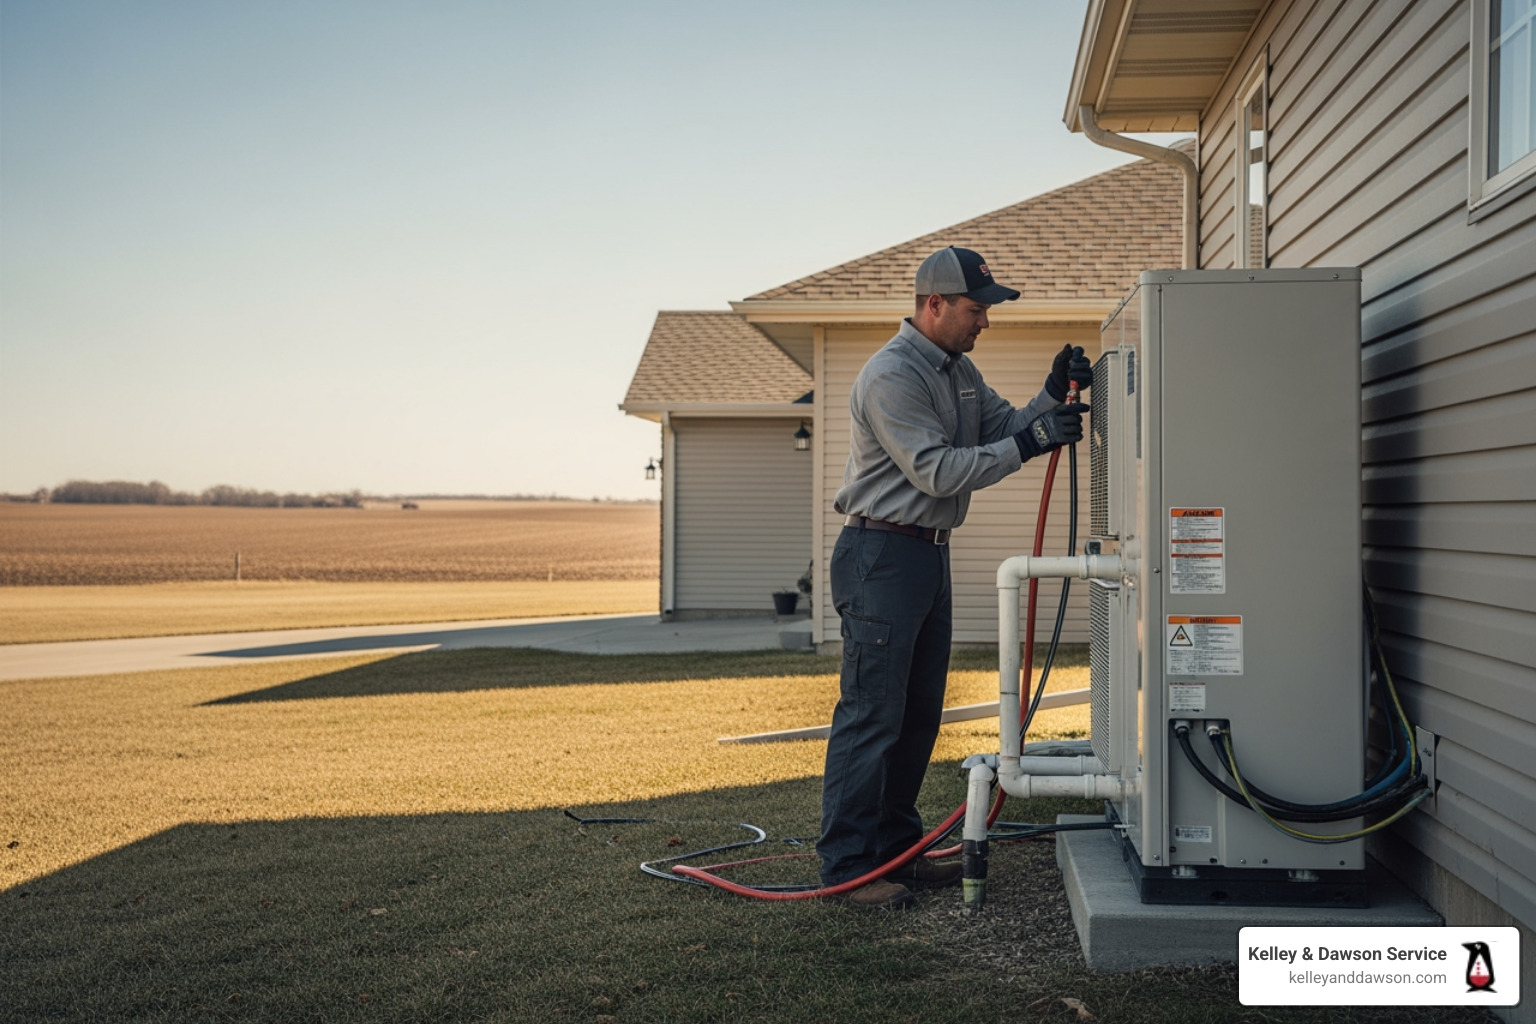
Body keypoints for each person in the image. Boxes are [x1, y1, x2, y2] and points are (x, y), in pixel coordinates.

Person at [820, 245, 1091, 908]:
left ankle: (898, 853)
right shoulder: (892, 376)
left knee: (916, 717)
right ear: (933, 304)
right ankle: (849, 870)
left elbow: (1008, 427)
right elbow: (937, 471)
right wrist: (1031, 442)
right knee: (872, 714)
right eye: (976, 310)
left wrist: (1052, 395)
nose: (984, 324)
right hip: (880, 556)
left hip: (925, 555)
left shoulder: (959, 372)